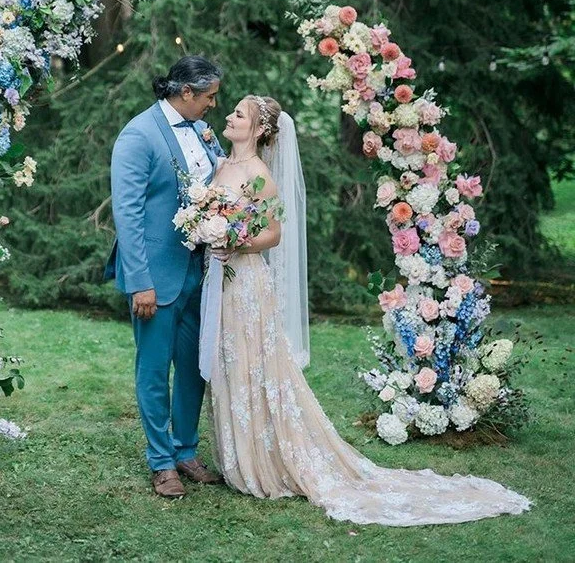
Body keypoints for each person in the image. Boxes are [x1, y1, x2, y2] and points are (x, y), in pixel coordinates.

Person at [200, 94, 531, 526]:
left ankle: (265, 460)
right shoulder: (221, 166)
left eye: (238, 114)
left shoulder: (260, 174)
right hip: (219, 282)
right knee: (228, 362)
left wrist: (233, 240)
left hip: (245, 282)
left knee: (253, 363)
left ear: (260, 130)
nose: (229, 116)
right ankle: (239, 458)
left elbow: (273, 235)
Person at [105, 56, 226, 498]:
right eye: (210, 96)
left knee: (195, 367)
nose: (215, 104)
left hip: (201, 271)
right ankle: (161, 462)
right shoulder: (138, 135)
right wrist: (139, 281)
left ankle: (185, 450)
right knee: (154, 369)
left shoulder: (202, 132)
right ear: (187, 92)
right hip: (156, 279)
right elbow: (128, 214)